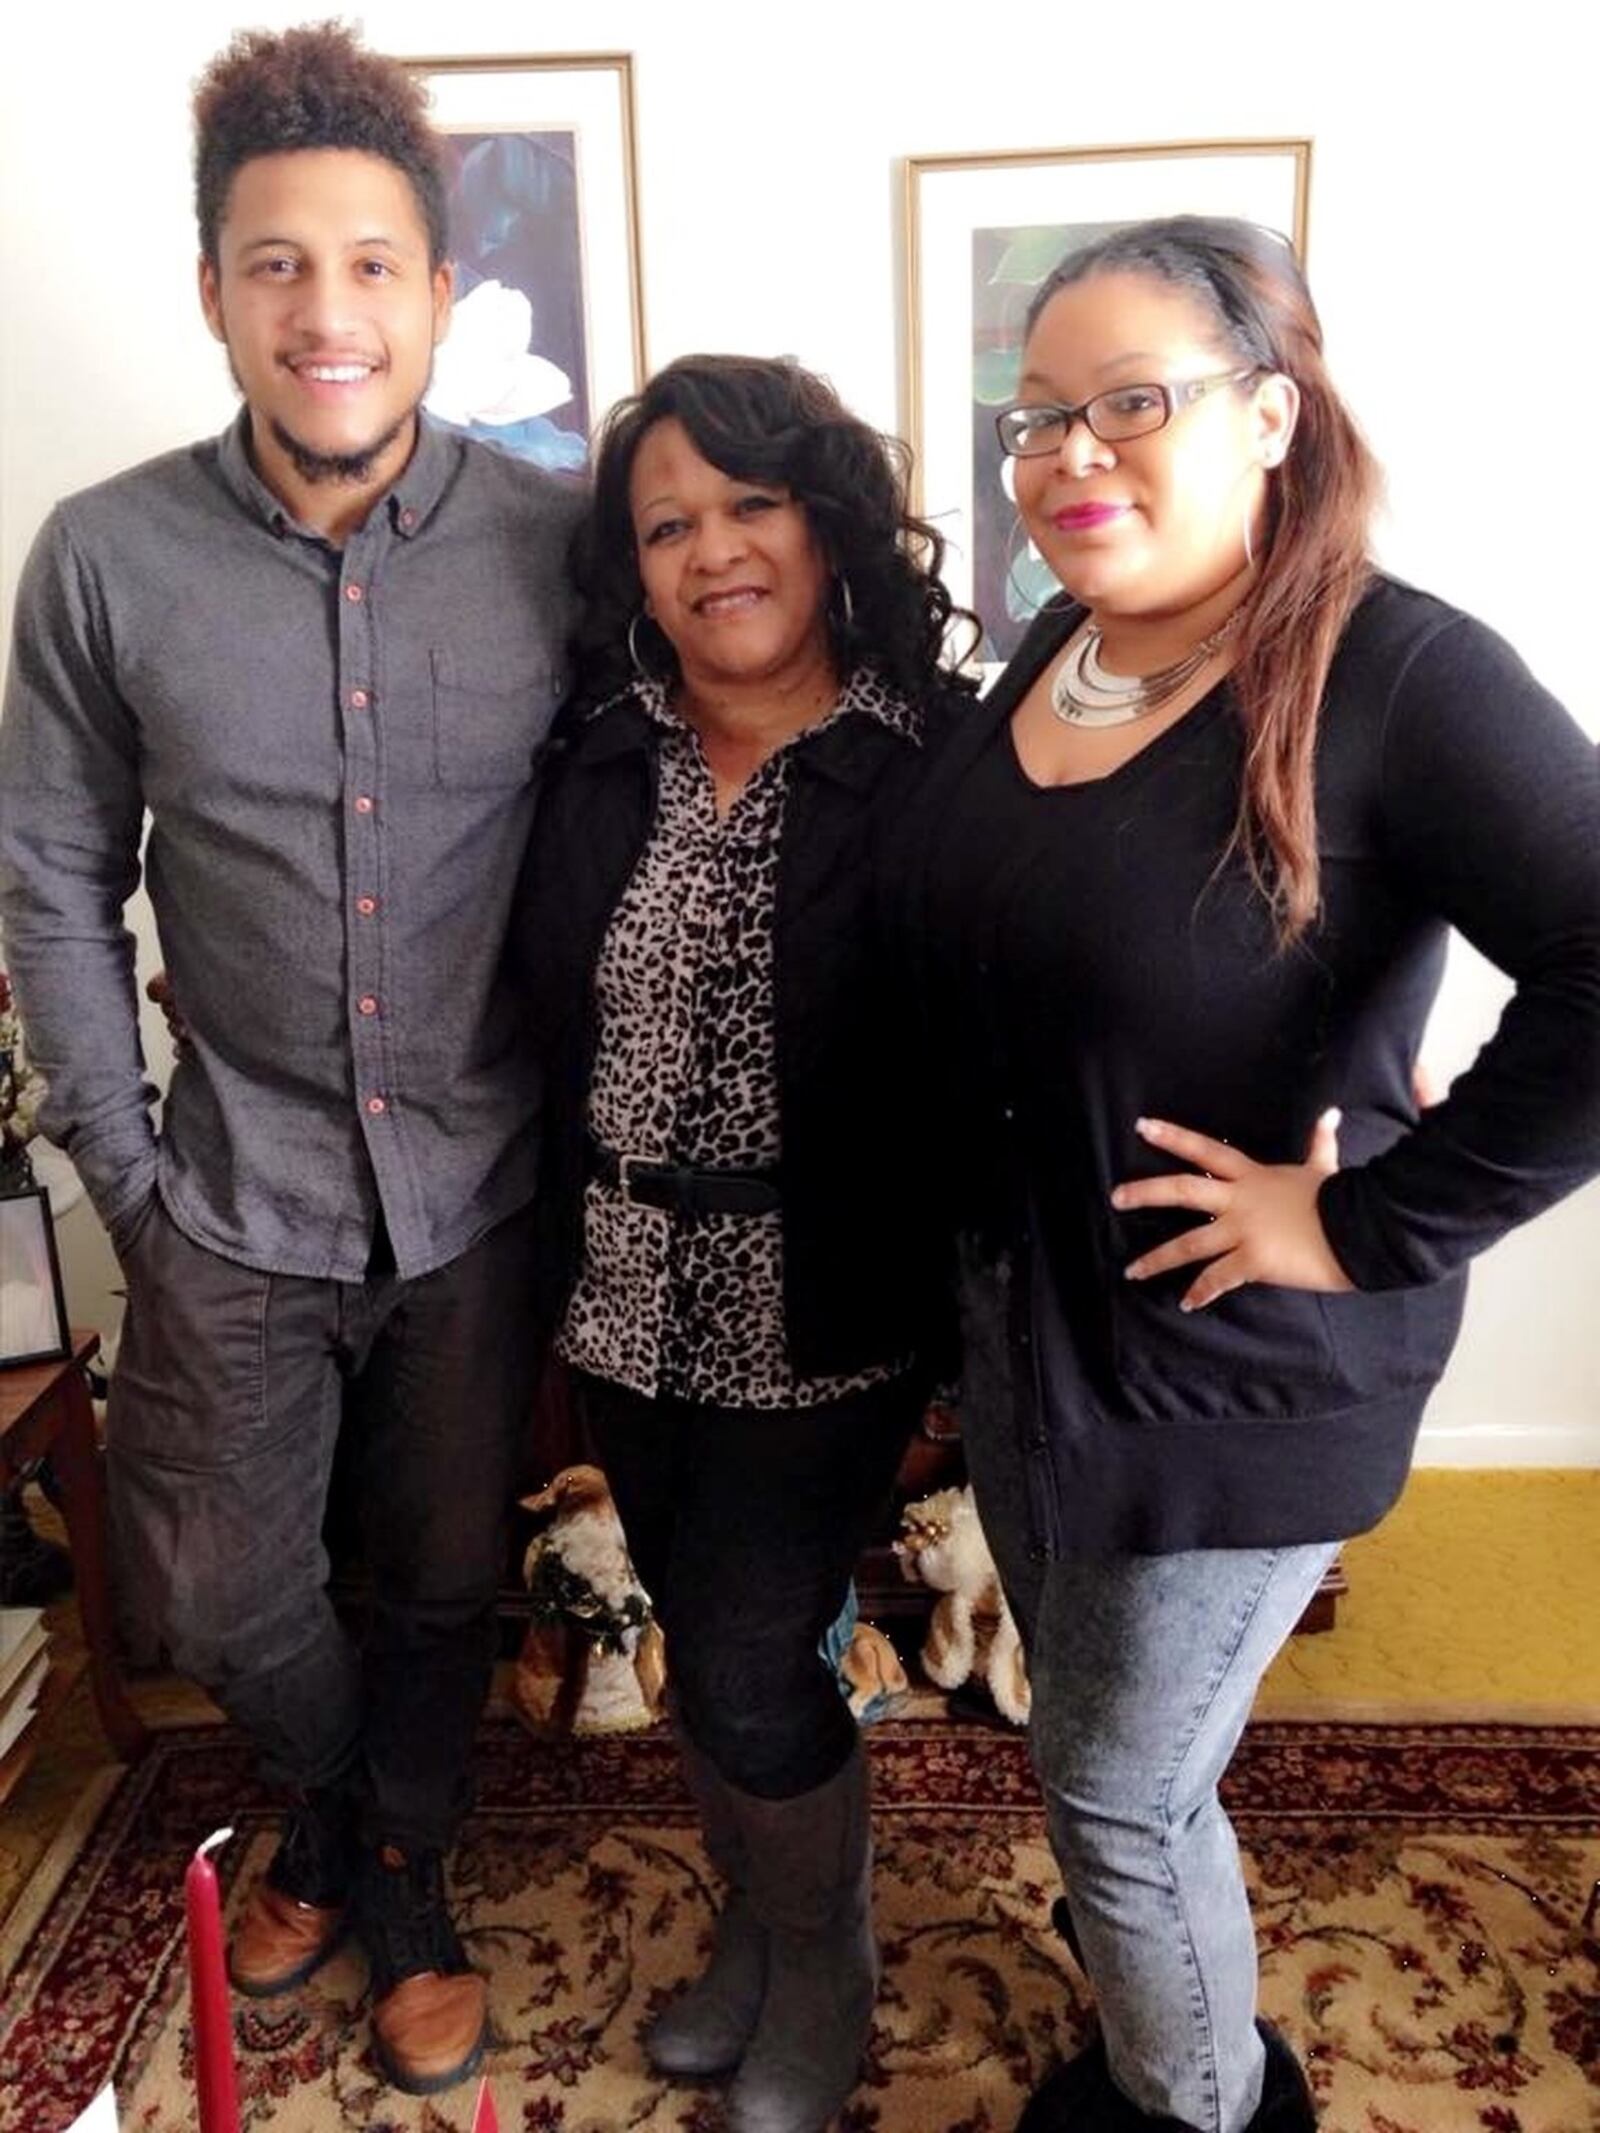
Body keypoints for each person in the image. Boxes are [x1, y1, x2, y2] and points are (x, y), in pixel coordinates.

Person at [880, 216, 1600, 2133]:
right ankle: (1170, 2055)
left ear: (1272, 413)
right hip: (1036, 1337)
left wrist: (1371, 1217)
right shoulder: (1067, 639)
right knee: (1104, 1763)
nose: (1068, 455)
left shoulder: (1406, 675)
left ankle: (1202, 2110)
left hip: (1235, 1365)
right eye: (1038, 416)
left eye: (1135, 402)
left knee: (1117, 1794)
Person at [0, 25, 580, 2097]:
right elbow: (51, 877)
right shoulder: (97, 556)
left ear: (435, 291)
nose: (324, 310)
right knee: (211, 1584)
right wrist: (126, 1171)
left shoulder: (557, 543)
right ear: (215, 290)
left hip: (483, 1187)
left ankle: (393, 1869)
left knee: (435, 1576)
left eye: (366, 264)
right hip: (222, 1188)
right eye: (274, 264)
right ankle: (348, 1803)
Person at [510, 352, 974, 2133]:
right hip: (622, 1282)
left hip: (825, 1297)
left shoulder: (931, 753)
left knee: (752, 1638)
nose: (713, 552)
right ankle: (765, 1937)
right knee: (702, 1627)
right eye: (667, 524)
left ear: (827, 518)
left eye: (749, 505)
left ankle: (827, 1952)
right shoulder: (600, 746)